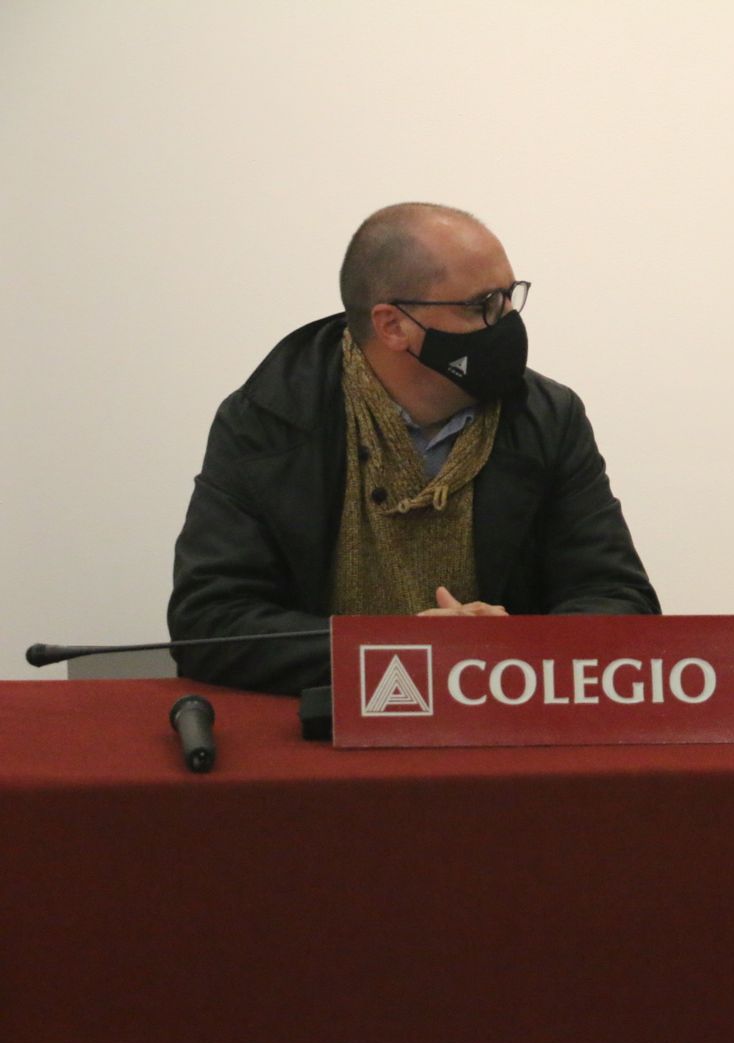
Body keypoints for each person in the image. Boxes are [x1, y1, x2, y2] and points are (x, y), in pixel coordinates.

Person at [169, 203, 658, 694]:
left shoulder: (548, 418)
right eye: (481, 305)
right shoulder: (271, 422)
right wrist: (399, 652)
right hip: (324, 736)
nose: (506, 321)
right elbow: (210, 624)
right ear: (393, 326)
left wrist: (514, 646)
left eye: (509, 298)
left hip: (502, 729)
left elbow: (621, 601)